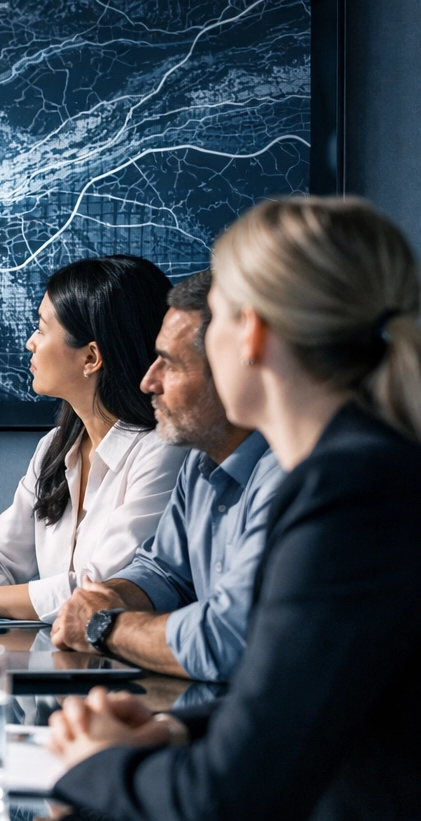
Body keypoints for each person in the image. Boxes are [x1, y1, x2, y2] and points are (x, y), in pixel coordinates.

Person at [48, 197, 421, 821]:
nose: (151, 376)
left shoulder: (350, 493)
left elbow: (228, 803)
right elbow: (326, 694)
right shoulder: (367, 468)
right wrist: (179, 736)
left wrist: (87, 765)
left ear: (248, 333)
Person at [0, 255, 186, 621]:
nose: (30, 343)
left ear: (91, 357)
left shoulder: (163, 453)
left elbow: (101, 591)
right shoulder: (56, 447)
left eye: (42, 329)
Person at [49, 270, 283, 680]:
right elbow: (164, 571)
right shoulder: (199, 461)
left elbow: (230, 639)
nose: (148, 381)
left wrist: (105, 625)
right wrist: (108, 597)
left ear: (237, 366)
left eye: (170, 364)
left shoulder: (289, 475)